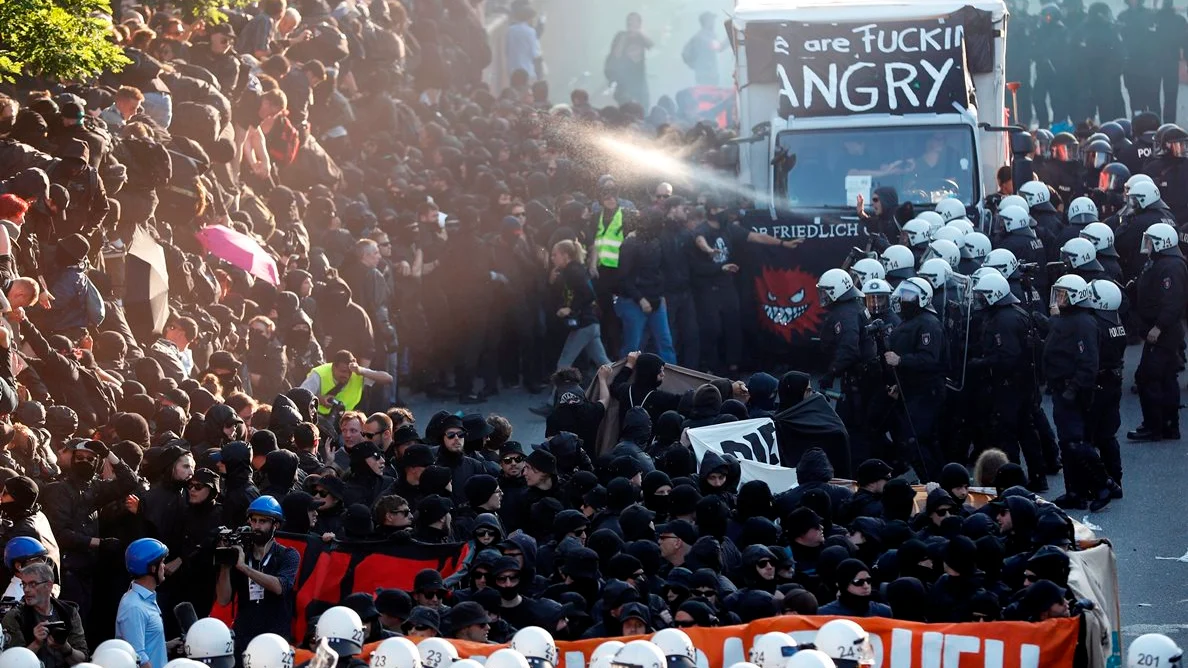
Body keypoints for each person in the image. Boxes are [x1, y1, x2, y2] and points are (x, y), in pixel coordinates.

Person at [214, 496, 299, 654]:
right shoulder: (241, 555)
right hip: (243, 638)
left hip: (275, 640)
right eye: (253, 520)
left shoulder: (288, 555)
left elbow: (280, 587)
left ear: (276, 525)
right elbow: (223, 600)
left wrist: (244, 568)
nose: (257, 526)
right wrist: (225, 567)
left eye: (263, 521)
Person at [1128, 223, 1187, 441]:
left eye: (1151, 241)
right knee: (1166, 377)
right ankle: (1169, 426)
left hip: (1163, 332)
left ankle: (1153, 426)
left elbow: (1173, 302)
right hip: (1164, 330)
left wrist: (1158, 327)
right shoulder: (1161, 262)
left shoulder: (1171, 266)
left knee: (1147, 376)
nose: (1148, 245)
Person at [1, 562, 86, 668]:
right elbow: (13, 663)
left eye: (33, 584)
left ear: (49, 586)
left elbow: (83, 661)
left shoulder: (68, 612)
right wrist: (36, 643)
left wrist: (64, 647)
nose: (26, 589)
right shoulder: (15, 617)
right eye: (24, 584)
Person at [551, 240, 611, 371]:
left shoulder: (572, 271)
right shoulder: (575, 269)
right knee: (603, 363)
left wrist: (570, 308)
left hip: (584, 324)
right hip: (591, 324)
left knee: (563, 365)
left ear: (565, 255)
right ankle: (623, 383)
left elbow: (588, 294)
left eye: (555, 255)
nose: (552, 258)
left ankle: (560, 392)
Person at [117, 538, 170, 668]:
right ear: (152, 568)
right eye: (162, 562)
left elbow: (145, 643)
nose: (164, 566)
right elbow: (137, 656)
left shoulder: (144, 599)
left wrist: (166, 645)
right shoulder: (134, 606)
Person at [300, 350, 393, 419]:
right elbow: (300, 395)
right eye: (343, 371)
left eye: (349, 372)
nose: (346, 375)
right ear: (333, 367)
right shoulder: (319, 373)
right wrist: (319, 399)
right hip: (318, 416)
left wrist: (361, 370)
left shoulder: (357, 372)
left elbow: (388, 379)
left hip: (346, 418)